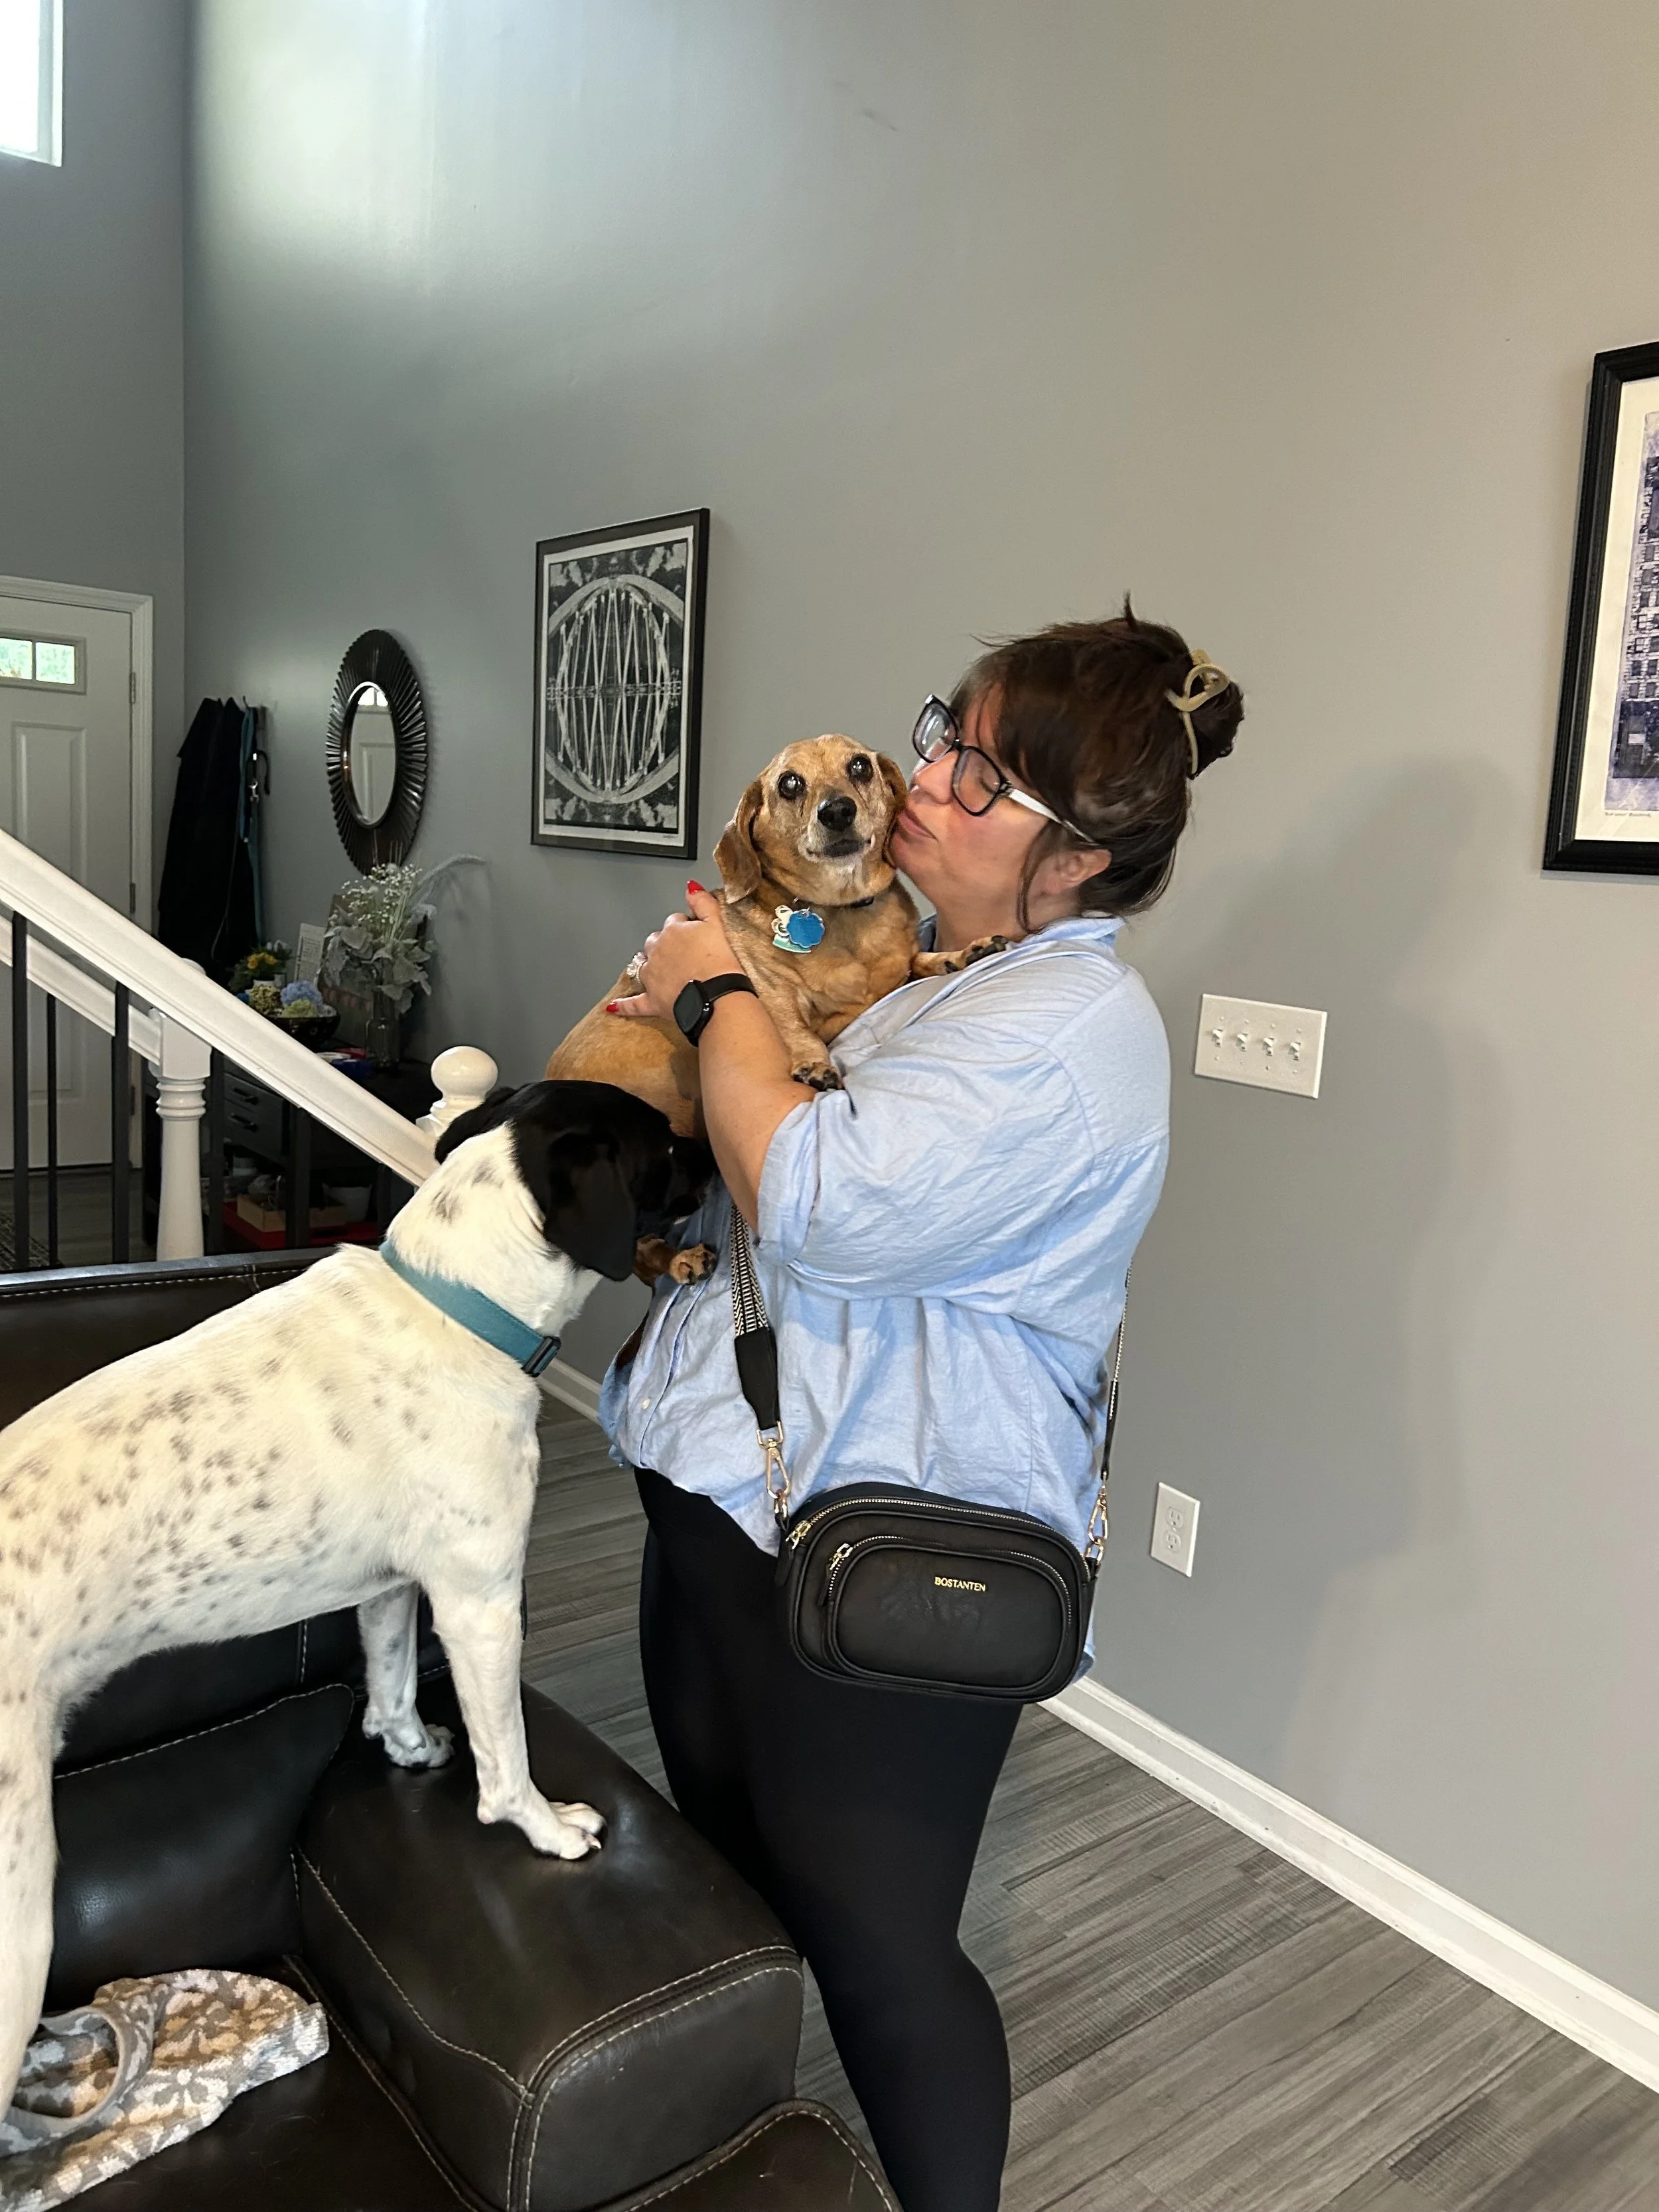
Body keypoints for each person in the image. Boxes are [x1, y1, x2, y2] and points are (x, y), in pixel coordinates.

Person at [599, 604, 1242, 2212]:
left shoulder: (1068, 1030)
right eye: (945, 734)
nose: (927, 782)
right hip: (735, 1497)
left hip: (889, 1560)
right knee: (732, 1867)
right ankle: (736, 2145)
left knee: (880, 1950)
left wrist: (709, 995)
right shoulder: (938, 979)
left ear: (1077, 858)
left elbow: (811, 1192)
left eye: (975, 771)